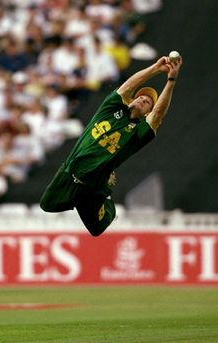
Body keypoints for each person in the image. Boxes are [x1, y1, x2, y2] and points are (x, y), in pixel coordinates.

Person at [40, 55, 183, 236]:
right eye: (140, 97)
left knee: (97, 229)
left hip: (94, 186)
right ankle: (77, 198)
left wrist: (171, 80)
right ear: (131, 100)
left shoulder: (138, 133)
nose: (143, 100)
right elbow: (128, 87)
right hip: (70, 172)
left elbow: (158, 114)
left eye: (148, 103)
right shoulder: (110, 110)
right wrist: (155, 68)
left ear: (147, 112)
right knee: (47, 205)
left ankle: (105, 200)